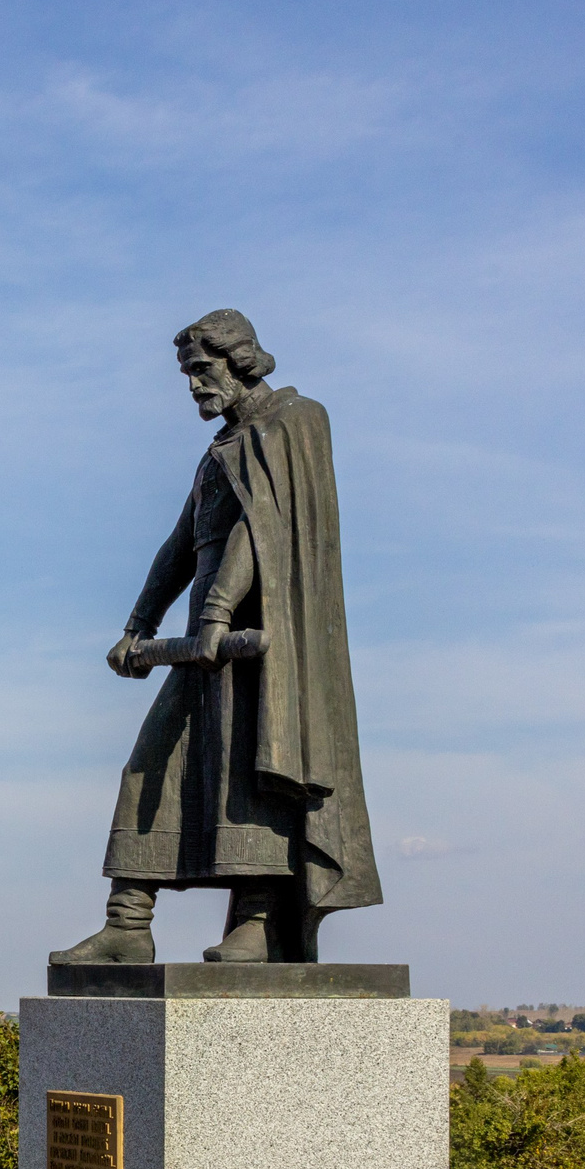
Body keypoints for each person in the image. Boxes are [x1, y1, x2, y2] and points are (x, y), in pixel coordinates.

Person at [59, 309, 380, 965]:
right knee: (153, 762)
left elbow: (261, 528)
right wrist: (138, 626)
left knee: (256, 773)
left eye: (201, 370)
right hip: (206, 641)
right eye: (188, 374)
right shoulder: (221, 446)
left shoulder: (294, 421)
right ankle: (128, 924)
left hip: (268, 642)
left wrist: (217, 617)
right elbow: (183, 544)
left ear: (239, 359)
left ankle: (260, 922)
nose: (194, 387)